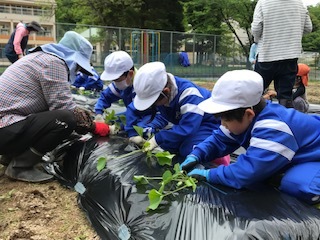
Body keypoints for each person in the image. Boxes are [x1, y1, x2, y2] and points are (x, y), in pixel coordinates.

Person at [180, 69, 320, 204]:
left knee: (297, 185)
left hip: (315, 158)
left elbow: (248, 172)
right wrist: (196, 154)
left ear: (249, 114)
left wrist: (209, 175)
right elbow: (218, 140)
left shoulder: (274, 128)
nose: (223, 124)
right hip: (299, 156)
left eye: (226, 120)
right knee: (268, 175)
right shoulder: (245, 119)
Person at [0, 31, 114, 183]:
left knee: (57, 116)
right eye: (79, 67)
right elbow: (66, 110)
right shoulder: (53, 63)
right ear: (73, 58)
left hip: (7, 125)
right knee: (67, 119)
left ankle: (10, 156)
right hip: (5, 128)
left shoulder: (39, 58)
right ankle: (20, 166)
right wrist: (95, 127)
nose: (78, 71)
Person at [128, 61, 230, 167]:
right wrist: (149, 130)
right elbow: (162, 118)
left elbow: (188, 128)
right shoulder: (163, 96)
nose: (153, 106)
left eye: (153, 102)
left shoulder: (189, 94)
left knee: (188, 150)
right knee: (168, 145)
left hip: (210, 124)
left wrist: (158, 138)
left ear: (166, 91)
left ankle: (219, 155)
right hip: (192, 125)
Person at [251, 0, 312, 108]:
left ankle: (254, 119)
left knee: (255, 92)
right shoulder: (299, 3)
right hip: (290, 56)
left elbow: (256, 28)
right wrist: (293, 32)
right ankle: (284, 121)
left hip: (267, 54)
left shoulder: (264, 2)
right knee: (285, 96)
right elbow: (308, 28)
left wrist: (257, 40)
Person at [94, 51, 168, 136]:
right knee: (112, 120)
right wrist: (98, 113)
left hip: (152, 115)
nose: (115, 83)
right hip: (133, 114)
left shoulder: (144, 84)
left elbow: (133, 111)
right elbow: (105, 97)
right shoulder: (123, 84)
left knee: (141, 130)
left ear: (130, 74)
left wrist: (123, 128)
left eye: (117, 79)